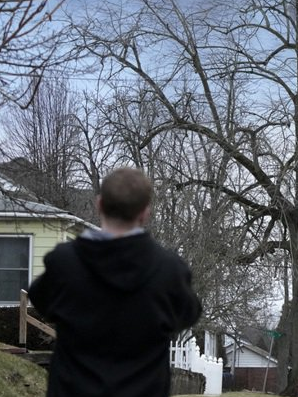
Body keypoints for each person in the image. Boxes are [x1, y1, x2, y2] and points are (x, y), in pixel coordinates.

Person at [28, 167, 202, 397]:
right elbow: (188, 314)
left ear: (99, 204)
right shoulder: (169, 272)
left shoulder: (64, 264)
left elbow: (40, 299)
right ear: (145, 212)